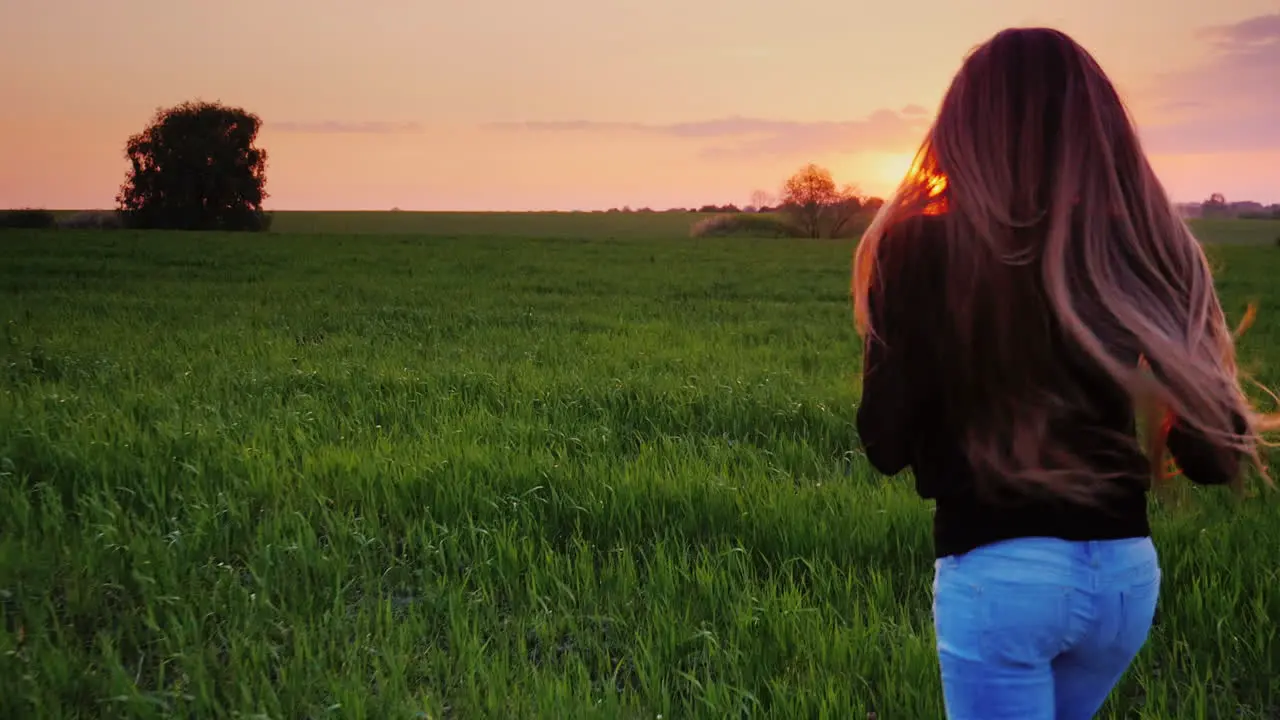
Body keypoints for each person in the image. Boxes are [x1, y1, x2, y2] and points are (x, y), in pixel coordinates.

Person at [849, 27, 1275, 720]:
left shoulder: (916, 247)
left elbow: (885, 446)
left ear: (964, 129)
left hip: (999, 576)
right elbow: (1213, 457)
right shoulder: (1141, 246)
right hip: (1122, 582)